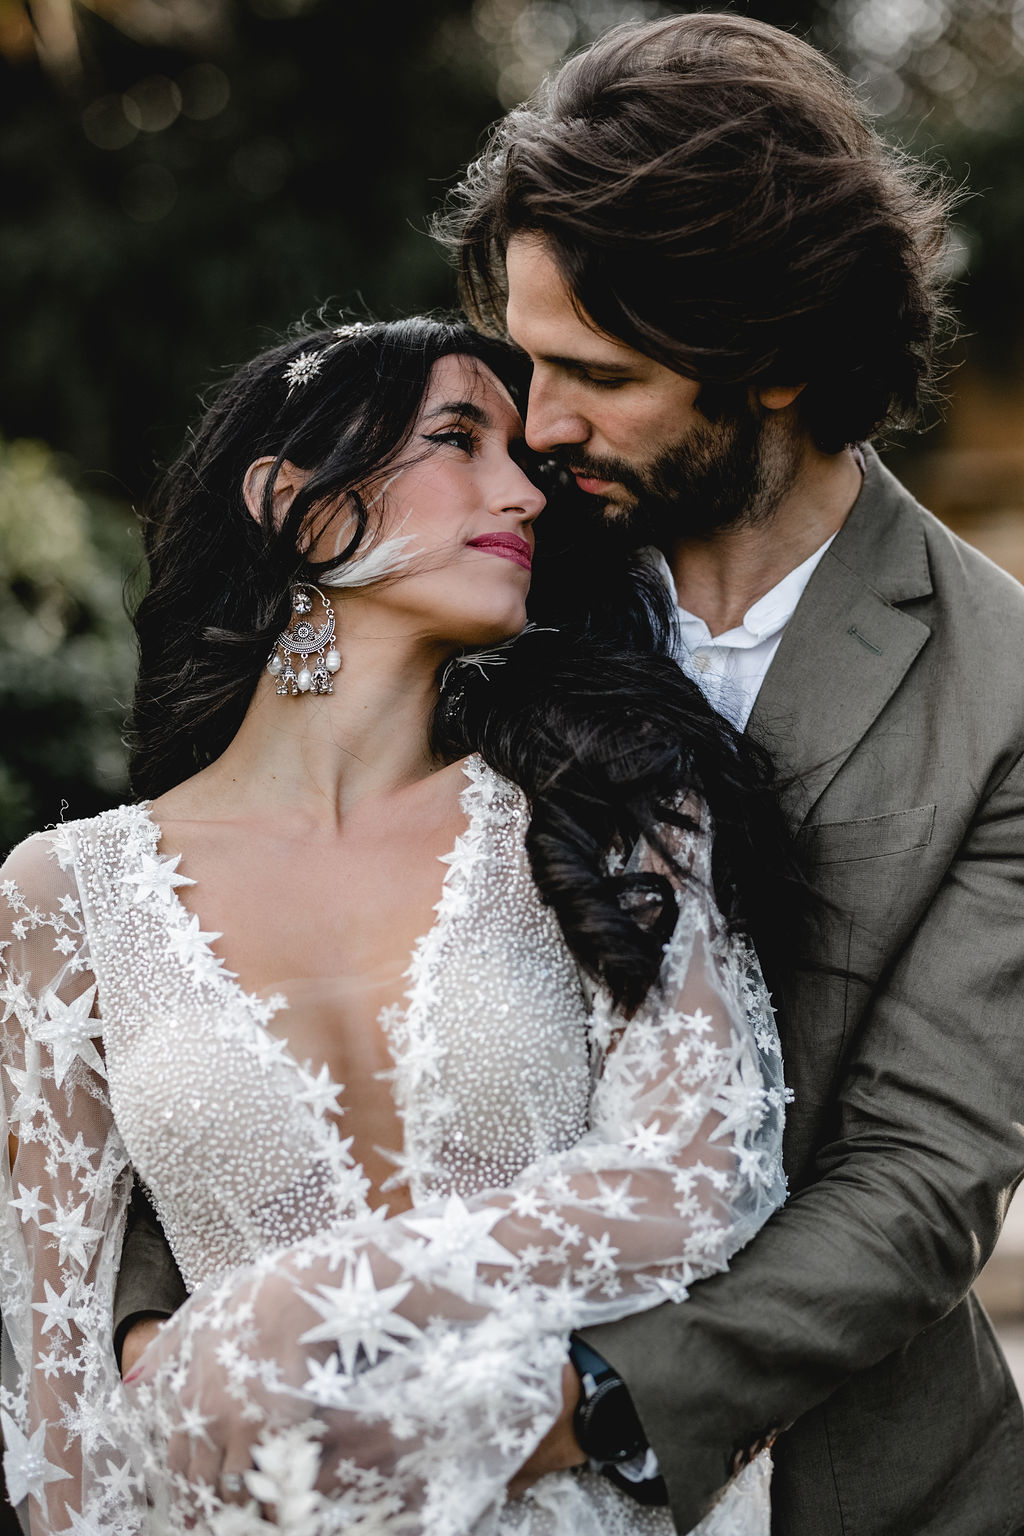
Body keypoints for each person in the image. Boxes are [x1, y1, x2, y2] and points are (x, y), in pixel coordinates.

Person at [0, 315, 804, 1535]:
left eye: (524, 456)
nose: (523, 490)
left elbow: (699, 1178)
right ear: (295, 505)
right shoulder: (67, 897)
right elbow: (58, 1391)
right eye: (457, 438)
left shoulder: (603, 808)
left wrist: (291, 1312)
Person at [431, 12, 1024, 1534]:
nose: (538, 425)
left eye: (599, 375)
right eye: (526, 358)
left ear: (775, 361)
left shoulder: (1005, 684)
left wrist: (581, 1405)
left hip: (866, 1487)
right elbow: (234, 881)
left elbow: (921, 1176)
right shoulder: (466, 560)